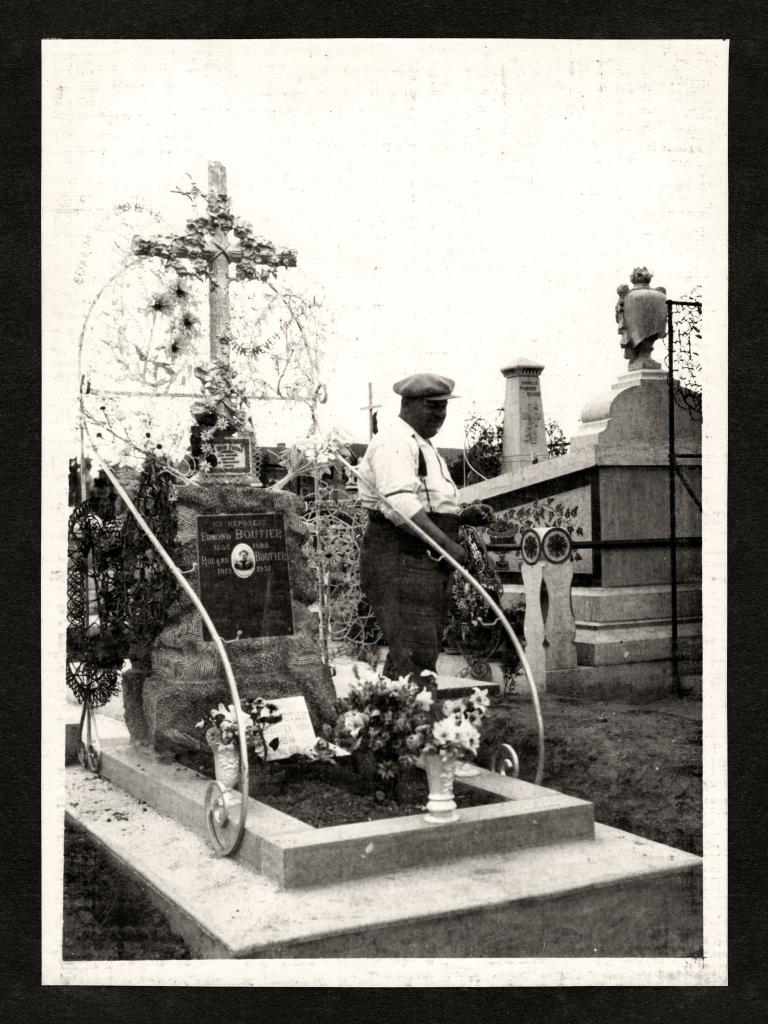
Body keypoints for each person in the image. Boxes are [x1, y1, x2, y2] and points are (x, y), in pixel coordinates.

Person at [357, 373, 494, 685]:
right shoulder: (394, 441)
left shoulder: (425, 446)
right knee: (416, 649)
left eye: (443, 408)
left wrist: (465, 515)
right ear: (407, 405)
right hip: (401, 557)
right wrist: (446, 543)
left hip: (424, 558)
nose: (439, 415)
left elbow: (431, 504)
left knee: (416, 649)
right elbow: (400, 506)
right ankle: (418, 723)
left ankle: (394, 723)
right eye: (432, 407)